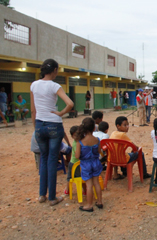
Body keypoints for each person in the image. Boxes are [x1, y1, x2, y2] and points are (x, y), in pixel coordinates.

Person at [30, 58, 74, 206]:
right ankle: (52, 197)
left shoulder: (34, 85)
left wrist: (35, 126)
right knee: (52, 160)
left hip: (39, 125)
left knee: (44, 158)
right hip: (54, 126)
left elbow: (33, 110)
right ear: (54, 70)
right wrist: (61, 113)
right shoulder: (54, 86)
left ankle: (42, 195)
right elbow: (70, 104)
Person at [74, 118, 103, 212]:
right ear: (94, 128)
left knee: (89, 185)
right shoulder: (97, 140)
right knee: (96, 183)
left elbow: (77, 156)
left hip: (86, 164)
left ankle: (89, 205)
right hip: (96, 162)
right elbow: (99, 151)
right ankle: (99, 202)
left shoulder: (80, 141)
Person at [64, 126, 82, 195]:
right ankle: (84, 190)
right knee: (79, 177)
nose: (77, 136)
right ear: (72, 136)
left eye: (79, 134)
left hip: (72, 163)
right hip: (75, 163)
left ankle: (67, 190)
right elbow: (77, 155)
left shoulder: (77, 142)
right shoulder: (77, 143)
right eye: (75, 135)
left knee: (70, 177)